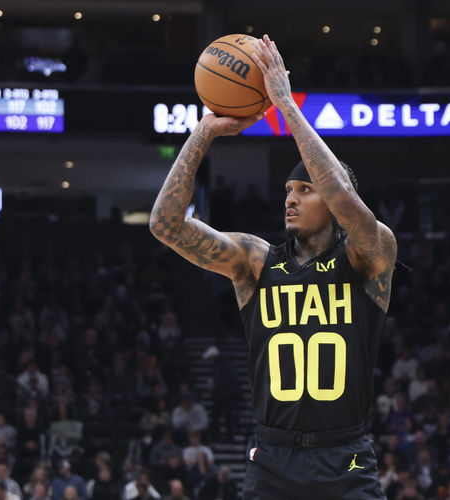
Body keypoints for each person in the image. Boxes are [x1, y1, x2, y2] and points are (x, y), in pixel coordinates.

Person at [150, 34, 396, 500]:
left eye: (305, 189)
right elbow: (166, 225)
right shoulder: (255, 261)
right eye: (287, 190)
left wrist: (284, 103)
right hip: (273, 458)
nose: (290, 197)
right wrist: (203, 132)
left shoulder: (369, 254)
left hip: (345, 458)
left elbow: (344, 194)